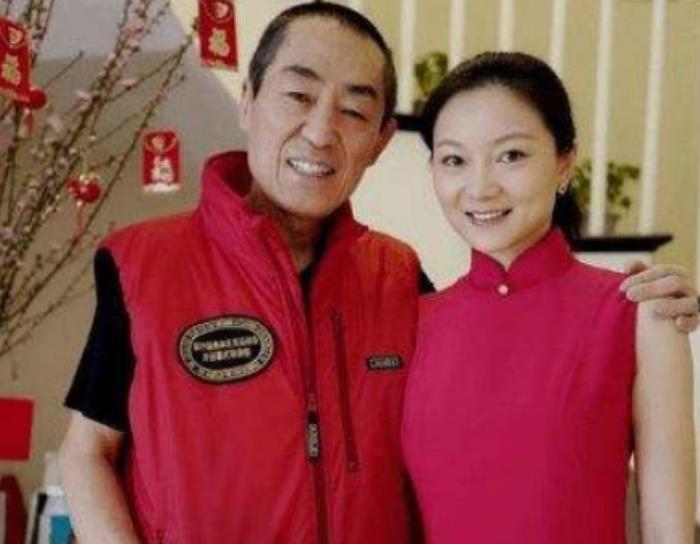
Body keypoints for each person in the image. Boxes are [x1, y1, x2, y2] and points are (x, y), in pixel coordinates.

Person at [58, 4, 697, 543]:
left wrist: (656, 306)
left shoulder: (397, 279)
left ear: (383, 141)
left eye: (354, 111)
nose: (320, 131)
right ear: (248, 102)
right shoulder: (143, 265)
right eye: (299, 95)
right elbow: (88, 453)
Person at [402, 51, 696, 543]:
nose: (480, 187)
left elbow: (670, 534)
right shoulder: (412, 322)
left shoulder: (640, 314)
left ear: (564, 162)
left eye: (511, 155)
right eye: (454, 160)